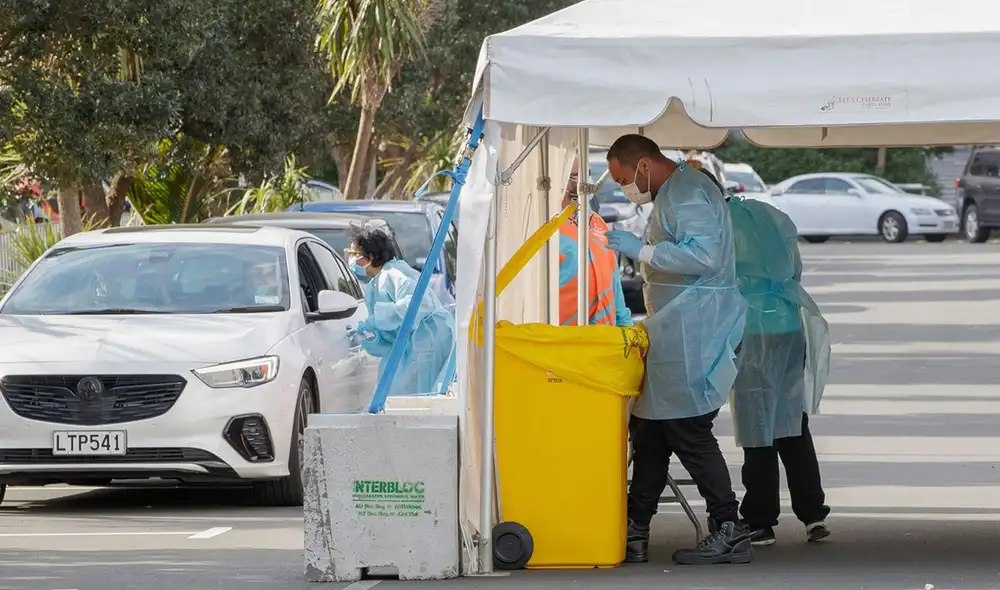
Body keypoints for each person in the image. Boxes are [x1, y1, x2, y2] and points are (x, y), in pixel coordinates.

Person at [604, 134, 750, 566]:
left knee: (687, 428)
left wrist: (643, 250)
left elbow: (703, 256)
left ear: (645, 165)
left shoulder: (687, 191)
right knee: (650, 431)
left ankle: (729, 528)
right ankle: (636, 529)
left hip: (695, 327)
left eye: (624, 179)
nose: (626, 188)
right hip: (676, 326)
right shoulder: (674, 192)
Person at [725, 196, 832, 547]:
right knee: (792, 421)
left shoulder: (720, 223)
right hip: (788, 322)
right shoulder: (769, 215)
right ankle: (813, 513)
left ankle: (760, 519)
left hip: (753, 329)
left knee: (758, 426)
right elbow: (795, 268)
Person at [345, 223, 455, 396]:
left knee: (412, 398)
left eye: (354, 255)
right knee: (396, 394)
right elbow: (390, 335)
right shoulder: (379, 280)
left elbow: (417, 305)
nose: (351, 260)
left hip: (424, 344)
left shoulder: (395, 274)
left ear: (371, 256)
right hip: (414, 345)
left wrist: (372, 322)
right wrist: (368, 333)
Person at [558, 159, 633, 327]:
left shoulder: (596, 224)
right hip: (563, 343)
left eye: (588, 174)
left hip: (602, 342)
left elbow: (616, 292)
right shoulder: (548, 230)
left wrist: (627, 331)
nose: (586, 181)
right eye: (577, 176)